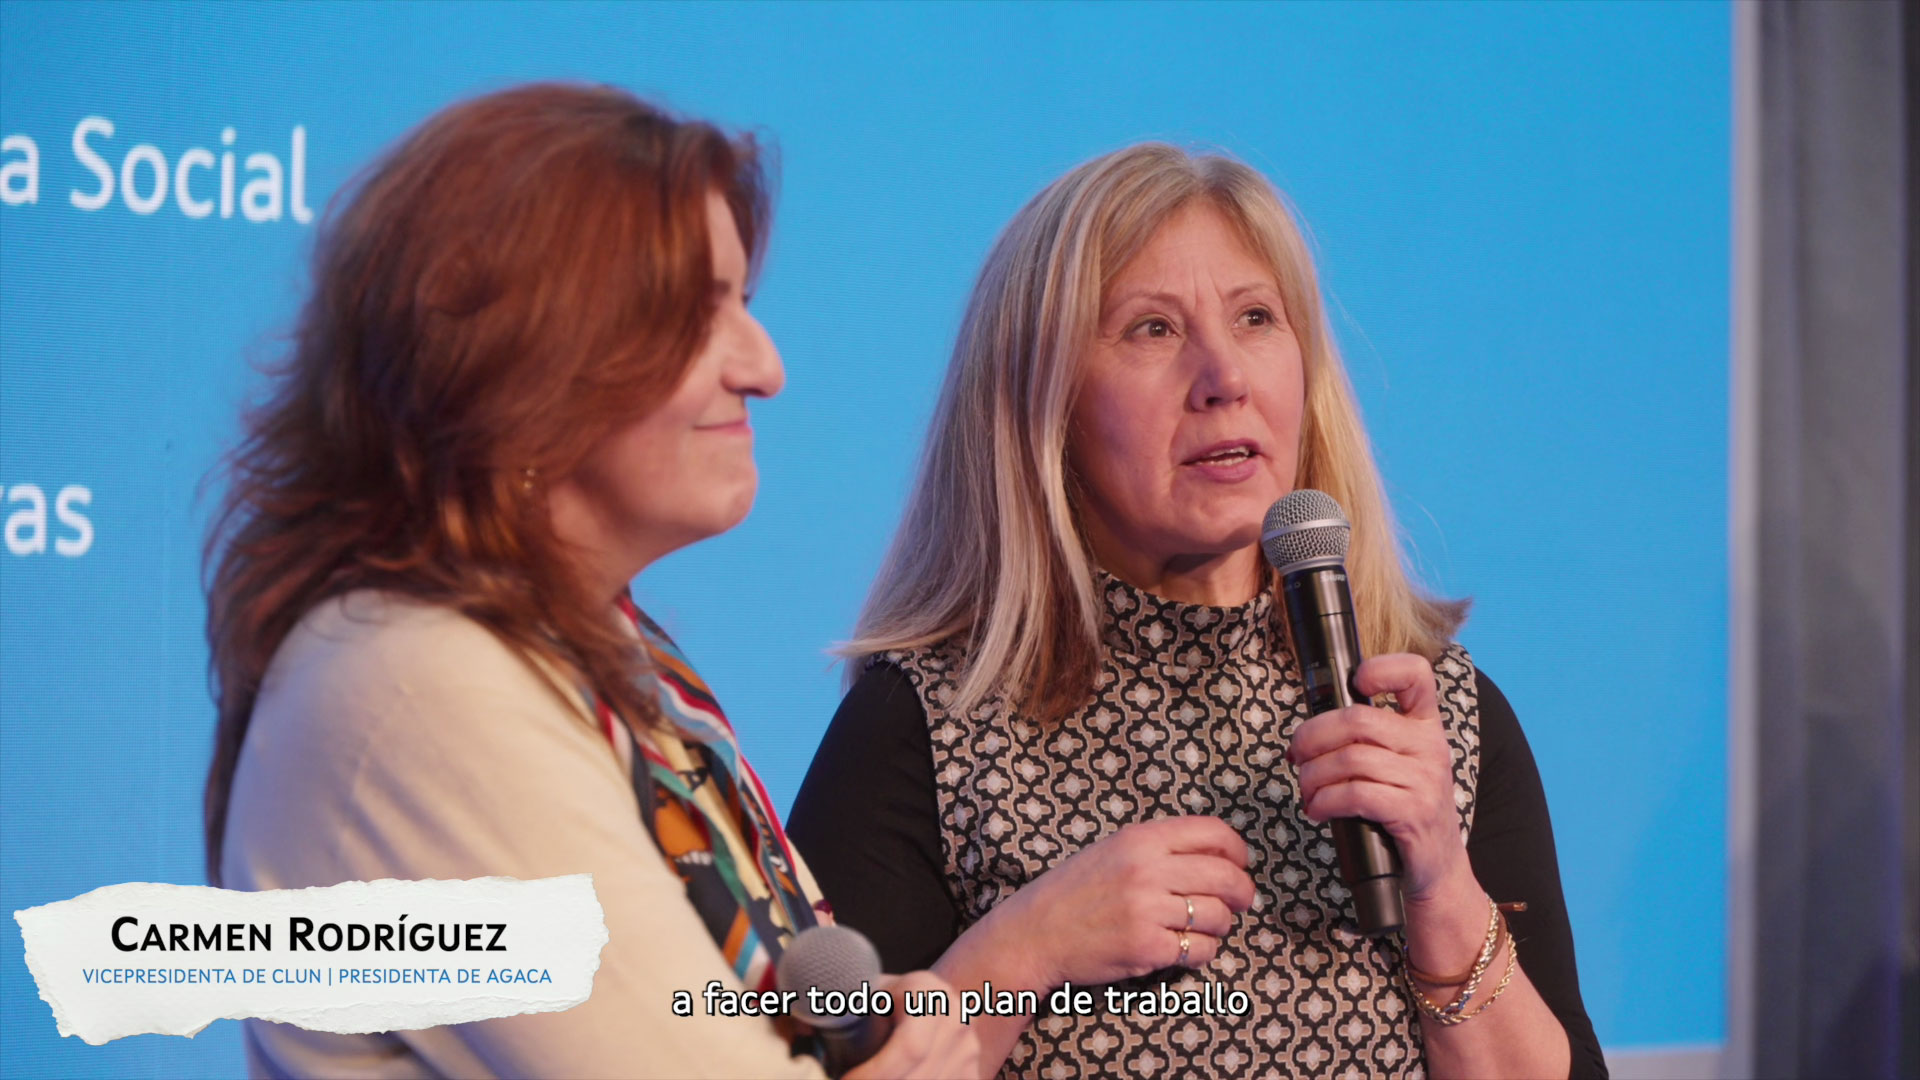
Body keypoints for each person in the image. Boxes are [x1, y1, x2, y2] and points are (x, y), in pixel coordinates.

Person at [204, 83, 977, 1080]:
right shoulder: (425, 680)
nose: (765, 367)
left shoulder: (602, 656)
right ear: (519, 356)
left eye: (742, 306)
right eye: (696, 314)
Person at [788, 143, 1607, 1079]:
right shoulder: (927, 724)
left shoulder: (1435, 714)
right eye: (1152, 329)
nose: (1225, 376)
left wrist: (1444, 888)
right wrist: (1025, 949)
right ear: (1045, 404)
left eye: (1257, 317)